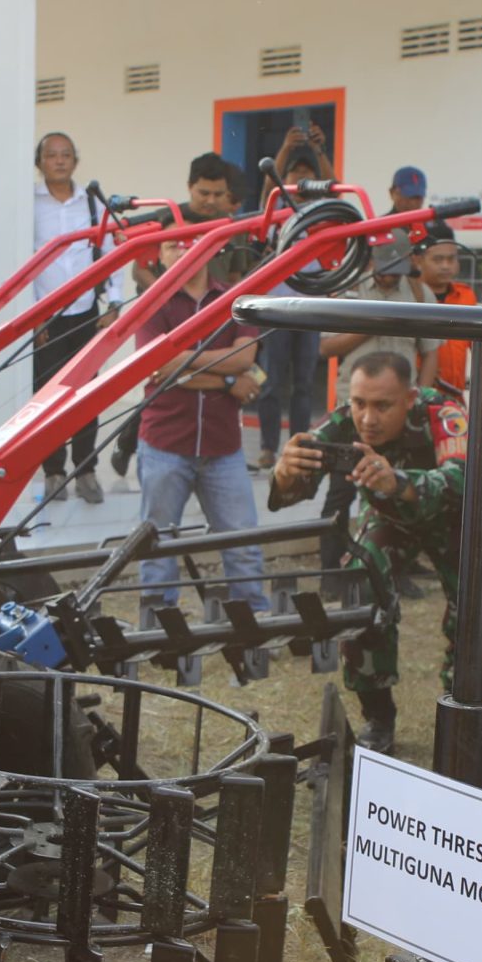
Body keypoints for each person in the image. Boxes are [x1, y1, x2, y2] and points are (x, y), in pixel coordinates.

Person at [268, 351, 482, 755]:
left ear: (409, 399)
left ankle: (463, 718)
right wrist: (285, 476)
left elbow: (462, 478)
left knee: (479, 612)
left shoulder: (442, 412)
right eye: (359, 404)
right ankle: (378, 717)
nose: (367, 418)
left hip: (458, 520)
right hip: (392, 519)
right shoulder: (340, 423)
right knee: (361, 587)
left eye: (382, 405)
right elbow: (290, 491)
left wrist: (398, 481)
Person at [134, 195, 272, 681]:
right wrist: (228, 378)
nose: (178, 252)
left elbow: (245, 356)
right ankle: (156, 640)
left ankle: (256, 636)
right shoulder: (152, 302)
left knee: (243, 544)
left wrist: (184, 364)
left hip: (222, 446)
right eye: (170, 245)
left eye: (188, 242)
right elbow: (155, 367)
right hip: (164, 442)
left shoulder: (232, 299)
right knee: (157, 547)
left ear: (209, 248)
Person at [111, 153, 241, 484]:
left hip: (218, 317)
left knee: (241, 375)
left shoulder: (232, 227)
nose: (211, 201)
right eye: (203, 194)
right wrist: (167, 295)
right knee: (161, 386)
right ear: (189, 188)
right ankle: (130, 443)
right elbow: (140, 266)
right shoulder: (168, 221)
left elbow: (241, 273)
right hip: (168, 318)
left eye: (218, 194)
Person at [31, 130, 109, 504]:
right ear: (40, 163)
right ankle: (53, 471)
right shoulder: (29, 204)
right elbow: (25, 263)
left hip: (87, 314)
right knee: (49, 397)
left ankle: (86, 470)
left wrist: (113, 304)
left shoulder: (92, 202)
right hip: (46, 317)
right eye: (51, 155)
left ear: (75, 161)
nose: (59, 160)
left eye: (66, 154)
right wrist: (33, 318)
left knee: (87, 395)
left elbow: (110, 254)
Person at [252, 126, 332, 470]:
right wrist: (285, 148)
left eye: (307, 179)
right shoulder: (275, 211)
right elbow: (270, 183)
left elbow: (336, 190)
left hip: (310, 311)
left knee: (303, 385)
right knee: (270, 383)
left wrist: (321, 153)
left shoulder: (324, 215)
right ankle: (269, 447)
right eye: (295, 178)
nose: (300, 184)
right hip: (275, 310)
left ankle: (297, 447)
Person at [321, 222, 440, 384]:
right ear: (372, 260)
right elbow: (326, 348)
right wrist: (370, 326)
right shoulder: (350, 291)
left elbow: (430, 352)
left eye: (396, 272)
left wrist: (420, 397)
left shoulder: (420, 294)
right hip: (353, 397)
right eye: (385, 271)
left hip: (401, 399)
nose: (389, 277)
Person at [415, 220, 478, 395]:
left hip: (454, 399)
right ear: (419, 260)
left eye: (451, 259)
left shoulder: (467, 296)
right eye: (437, 259)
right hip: (416, 396)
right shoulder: (410, 297)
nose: (445, 266)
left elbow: (479, 349)